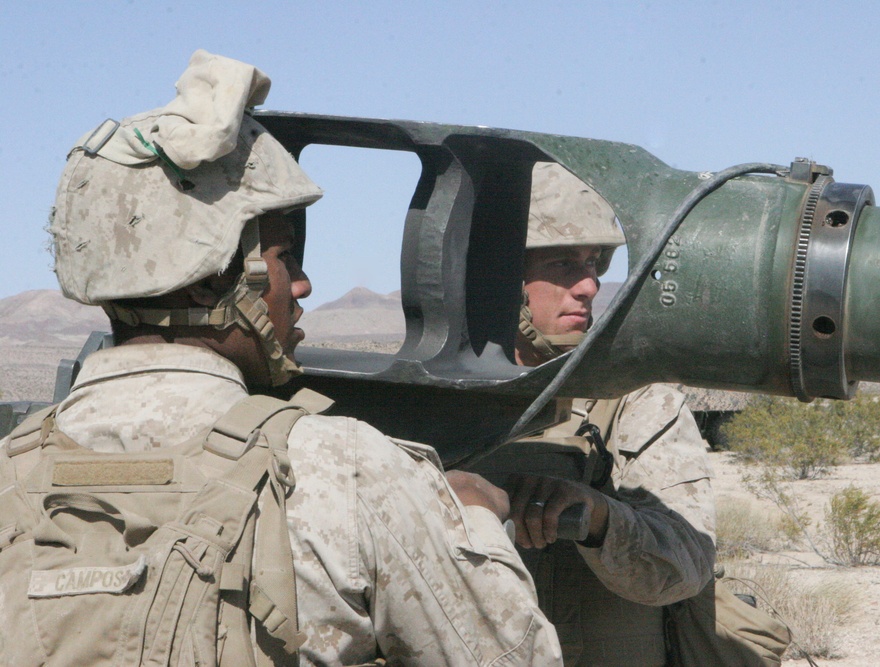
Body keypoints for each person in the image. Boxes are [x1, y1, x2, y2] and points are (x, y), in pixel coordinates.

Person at [7, 50, 562, 666]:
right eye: (283, 258)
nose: (299, 286)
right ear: (206, 277)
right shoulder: (345, 472)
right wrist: (478, 522)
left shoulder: (11, 469)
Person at [467, 162, 717, 666]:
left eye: (594, 265)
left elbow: (687, 562)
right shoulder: (430, 401)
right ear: (502, 277)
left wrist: (598, 517)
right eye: (563, 266)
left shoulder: (633, 398)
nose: (588, 287)